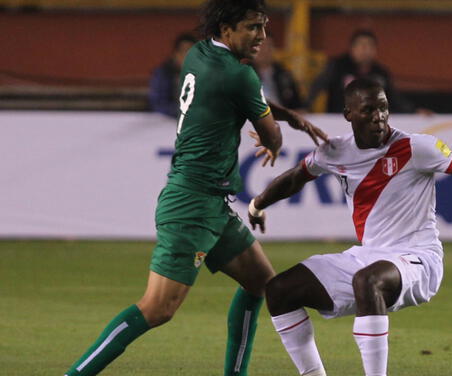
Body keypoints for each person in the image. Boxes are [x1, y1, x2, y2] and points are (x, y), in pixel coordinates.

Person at [64, 1, 327, 375]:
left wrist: (290, 116)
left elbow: (245, 97)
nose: (262, 37)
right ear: (226, 29)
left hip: (209, 202)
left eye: (264, 27)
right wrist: (279, 133)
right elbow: (270, 134)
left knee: (262, 284)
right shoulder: (241, 75)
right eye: (253, 27)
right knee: (156, 309)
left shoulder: (198, 54)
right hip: (192, 204)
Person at [248, 78, 452, 376]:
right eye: (368, 110)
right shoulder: (334, 151)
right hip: (369, 256)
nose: (378, 117)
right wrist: (256, 205)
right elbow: (294, 178)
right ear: (349, 114)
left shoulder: (416, 147)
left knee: (368, 280)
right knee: (279, 290)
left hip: (418, 258)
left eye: (383, 108)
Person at [306, 29, 414, 114]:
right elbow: (317, 86)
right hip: (339, 122)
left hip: (370, 124)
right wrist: (305, 107)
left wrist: (413, 112)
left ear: (375, 50)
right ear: (352, 49)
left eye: (369, 46)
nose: (365, 50)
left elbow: (394, 98)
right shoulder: (337, 66)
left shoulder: (381, 73)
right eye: (361, 46)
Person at [148, 32, 198, 118]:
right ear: (175, 54)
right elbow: (158, 104)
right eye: (184, 51)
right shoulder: (164, 74)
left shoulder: (204, 74)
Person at [251, 36, 304, 110]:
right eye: (259, 46)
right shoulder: (244, 74)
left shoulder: (284, 75)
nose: (263, 50)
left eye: (267, 46)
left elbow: (297, 104)